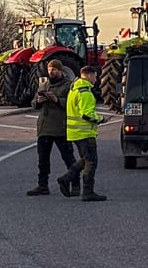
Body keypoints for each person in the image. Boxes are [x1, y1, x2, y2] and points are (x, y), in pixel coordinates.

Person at [26, 59, 76, 197]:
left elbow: (72, 104)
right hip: (44, 127)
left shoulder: (68, 86)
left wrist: (57, 100)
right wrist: (38, 101)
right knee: (43, 160)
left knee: (68, 158)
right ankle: (42, 186)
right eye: (49, 70)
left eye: (54, 70)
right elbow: (33, 103)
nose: (51, 72)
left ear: (61, 71)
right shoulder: (44, 84)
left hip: (60, 127)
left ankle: (75, 184)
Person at [64, 64, 106, 202]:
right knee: (91, 161)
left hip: (74, 132)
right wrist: (100, 119)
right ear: (89, 75)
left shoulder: (74, 88)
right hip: (84, 132)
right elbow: (86, 114)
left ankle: (66, 178)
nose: (96, 79)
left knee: (85, 159)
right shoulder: (85, 92)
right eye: (95, 76)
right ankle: (87, 191)